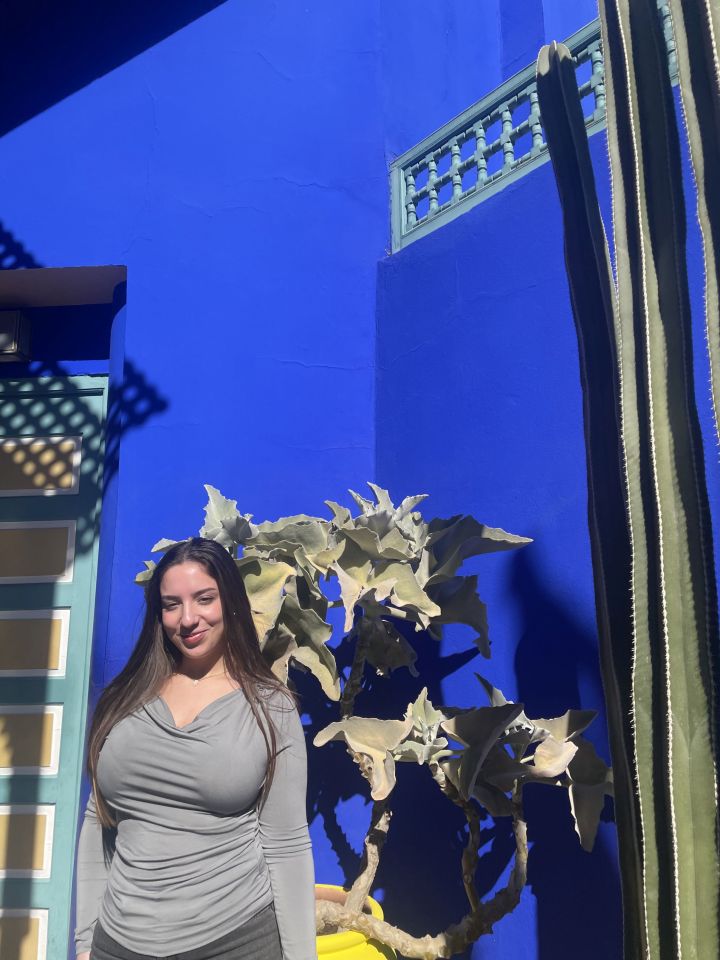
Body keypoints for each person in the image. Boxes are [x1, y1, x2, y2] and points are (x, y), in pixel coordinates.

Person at [74, 537, 317, 960]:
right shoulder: (125, 699)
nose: (188, 619)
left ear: (232, 602)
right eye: (171, 604)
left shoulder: (270, 708)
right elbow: (98, 822)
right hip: (118, 944)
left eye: (204, 599)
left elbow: (287, 846)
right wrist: (84, 942)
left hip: (235, 940)